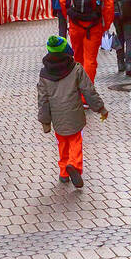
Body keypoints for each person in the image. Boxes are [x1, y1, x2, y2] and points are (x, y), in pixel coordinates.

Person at [37, 35, 107, 189]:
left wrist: (45, 121)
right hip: (74, 114)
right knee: (75, 141)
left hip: (57, 117)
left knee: (62, 143)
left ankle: (63, 172)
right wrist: (100, 108)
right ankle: (74, 165)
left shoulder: (44, 75)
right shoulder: (76, 69)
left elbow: (42, 100)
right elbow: (89, 91)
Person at [60, 0, 115, 85]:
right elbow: (109, 5)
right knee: (90, 60)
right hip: (94, 26)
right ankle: (86, 94)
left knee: (78, 58)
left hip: (75, 25)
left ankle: (78, 90)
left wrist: (70, 17)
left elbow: (62, 1)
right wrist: (105, 26)